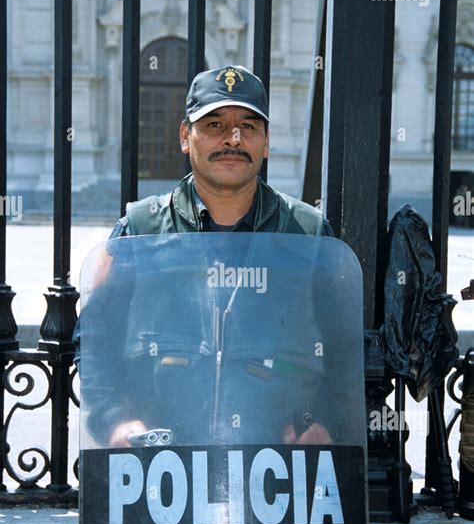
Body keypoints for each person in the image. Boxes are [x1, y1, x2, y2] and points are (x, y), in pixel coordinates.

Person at [75, 64, 333, 449]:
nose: (233, 139)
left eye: (248, 126)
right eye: (213, 125)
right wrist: (114, 422)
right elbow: (96, 341)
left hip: (278, 467)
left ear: (265, 141)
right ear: (185, 136)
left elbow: (346, 351)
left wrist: (326, 423)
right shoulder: (140, 230)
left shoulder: (308, 234)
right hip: (159, 462)